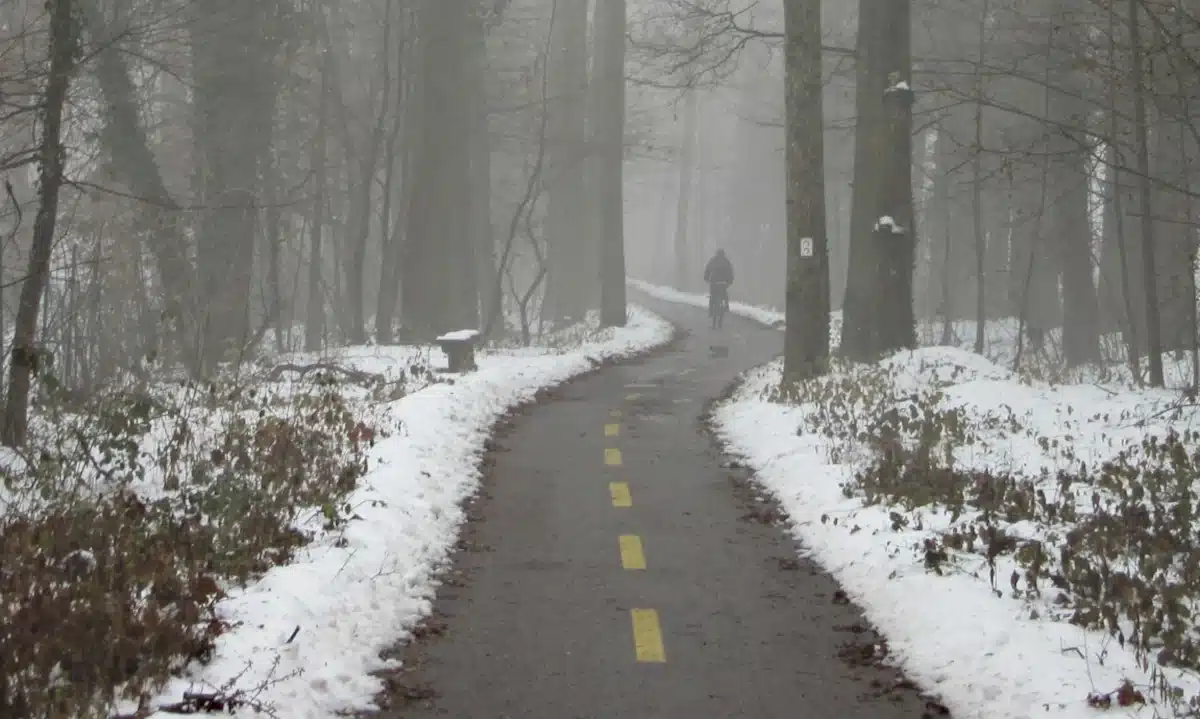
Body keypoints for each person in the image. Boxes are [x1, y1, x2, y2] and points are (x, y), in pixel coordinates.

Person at [703, 249, 734, 328]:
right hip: (723, 284)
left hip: (714, 283)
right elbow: (730, 273)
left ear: (716, 253)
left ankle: (711, 312)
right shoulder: (726, 261)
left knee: (712, 298)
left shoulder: (713, 260)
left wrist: (706, 278)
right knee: (724, 297)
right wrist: (729, 282)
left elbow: (707, 270)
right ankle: (725, 307)